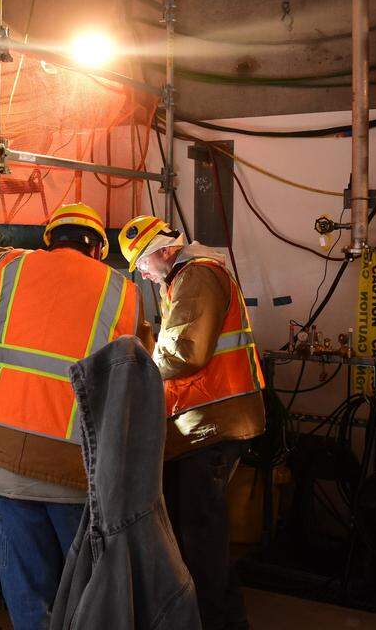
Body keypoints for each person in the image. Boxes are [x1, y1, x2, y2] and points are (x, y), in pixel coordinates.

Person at [0, 202, 140, 630]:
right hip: (71, 465)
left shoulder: (8, 268)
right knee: (85, 591)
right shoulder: (122, 289)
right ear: (100, 249)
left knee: (28, 590)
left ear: (49, 240)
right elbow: (130, 373)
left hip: (1, 456)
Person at [119, 215, 267, 630]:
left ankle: (218, 622)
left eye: (143, 264)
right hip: (202, 426)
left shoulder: (197, 277)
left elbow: (185, 352)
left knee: (201, 539)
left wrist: (133, 368)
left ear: (164, 252)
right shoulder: (182, 280)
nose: (143, 274)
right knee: (195, 534)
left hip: (213, 425)